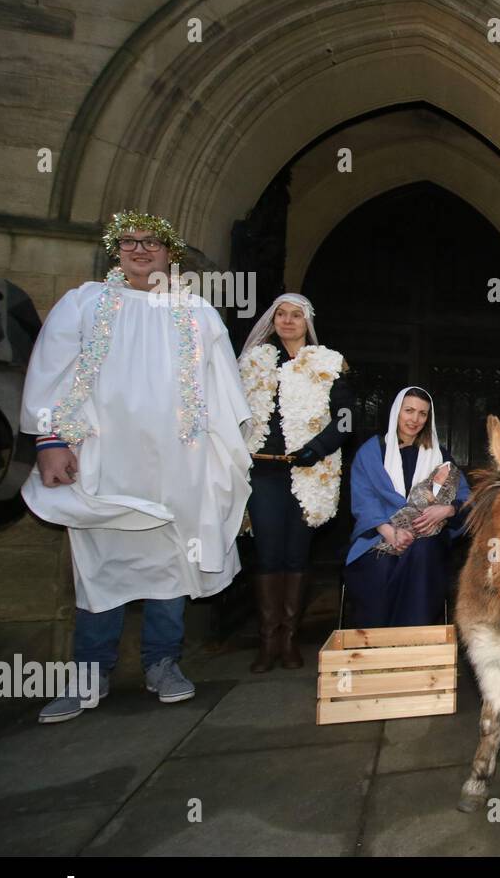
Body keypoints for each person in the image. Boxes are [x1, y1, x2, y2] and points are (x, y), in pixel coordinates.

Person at [23, 210, 251, 722]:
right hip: (105, 461)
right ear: (116, 250)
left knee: (172, 563)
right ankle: (89, 674)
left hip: (178, 464)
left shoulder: (197, 313)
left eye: (151, 242)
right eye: (129, 242)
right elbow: (51, 371)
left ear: (170, 252)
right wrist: (50, 441)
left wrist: (224, 456)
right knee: (101, 563)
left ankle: (162, 664)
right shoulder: (84, 304)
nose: (140, 250)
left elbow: (224, 391)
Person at [238, 293, 353, 672]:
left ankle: (289, 639)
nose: (288, 321)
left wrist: (318, 448)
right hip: (265, 471)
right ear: (273, 321)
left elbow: (346, 418)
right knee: (269, 553)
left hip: (309, 470)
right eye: (281, 315)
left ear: (308, 322)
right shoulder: (253, 362)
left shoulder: (329, 363)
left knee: (297, 555)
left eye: (296, 315)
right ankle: (267, 641)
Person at [345, 387, 468, 628]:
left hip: (427, 539)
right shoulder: (372, 451)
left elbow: (466, 497)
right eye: (409, 411)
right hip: (379, 536)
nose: (415, 419)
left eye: (422, 413)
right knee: (379, 568)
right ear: (396, 412)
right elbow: (363, 497)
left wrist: (448, 510)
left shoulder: (439, 455)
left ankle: (415, 640)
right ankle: (377, 643)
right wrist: (389, 531)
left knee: (422, 554)